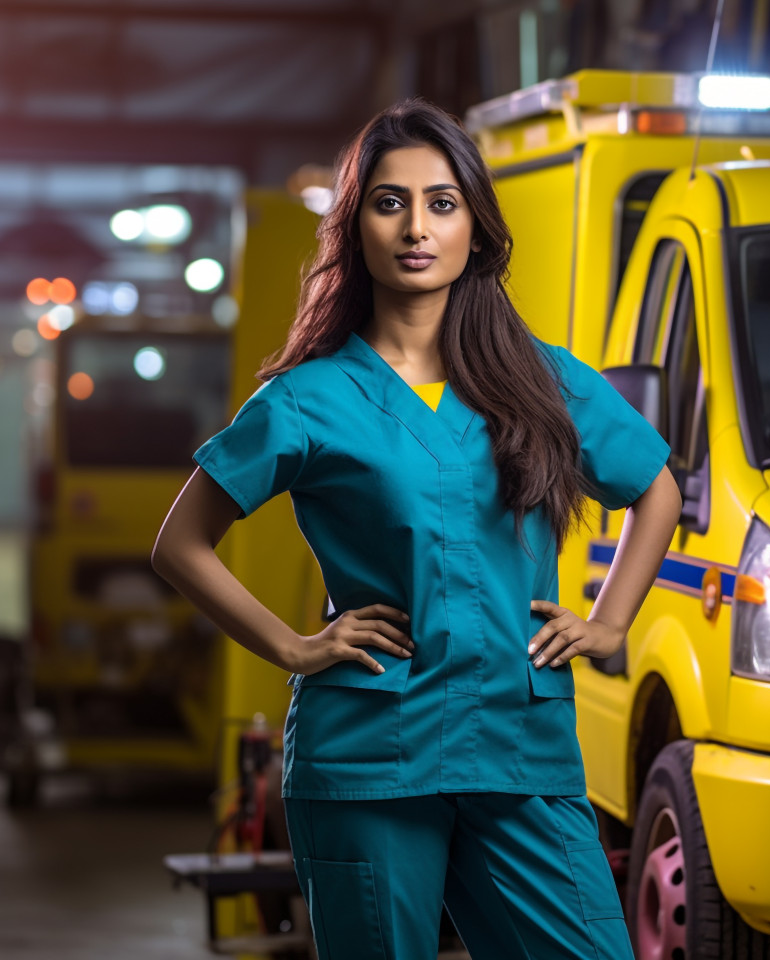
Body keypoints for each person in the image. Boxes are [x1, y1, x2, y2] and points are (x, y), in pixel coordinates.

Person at [152, 98, 681, 960]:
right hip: (370, 755)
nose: (416, 227)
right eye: (389, 201)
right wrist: (293, 646)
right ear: (355, 223)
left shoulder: (539, 379)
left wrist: (610, 621)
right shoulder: (307, 398)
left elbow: (654, 487)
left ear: (476, 223)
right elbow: (180, 544)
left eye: (442, 202)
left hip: (518, 746)